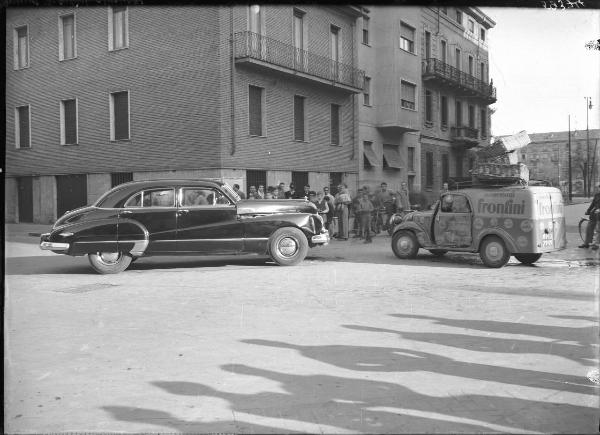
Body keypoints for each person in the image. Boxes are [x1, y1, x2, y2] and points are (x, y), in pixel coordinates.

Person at [580, 183, 600, 248]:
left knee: (598, 230)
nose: (597, 189)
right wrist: (588, 211)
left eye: (598, 187)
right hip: (594, 215)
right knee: (589, 228)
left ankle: (596, 244)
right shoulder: (597, 195)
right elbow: (592, 204)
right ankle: (587, 243)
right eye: (596, 188)